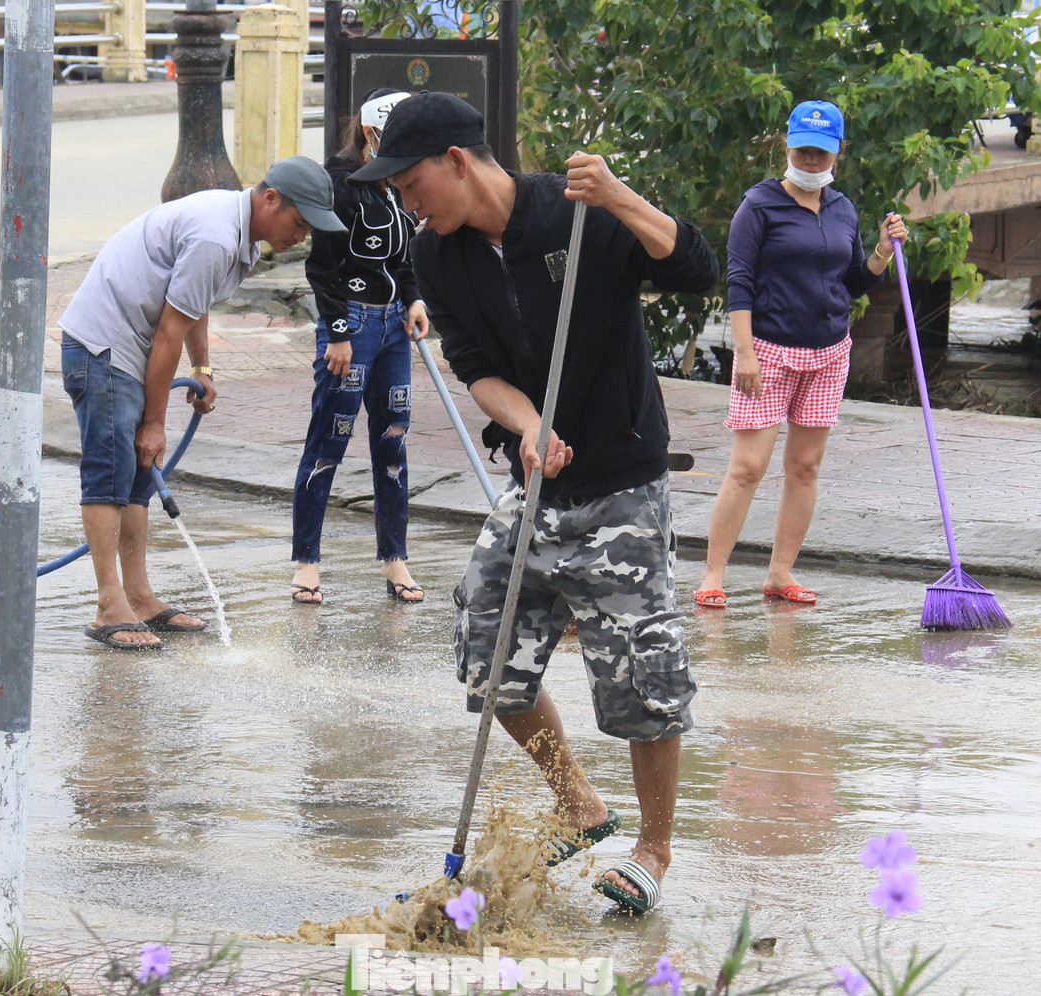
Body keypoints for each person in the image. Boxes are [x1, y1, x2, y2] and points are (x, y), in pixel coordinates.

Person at [349, 92, 718, 914]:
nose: (405, 202)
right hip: (537, 480)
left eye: (409, 183)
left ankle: (654, 848)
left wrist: (619, 194)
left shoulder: (573, 211)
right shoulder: (437, 256)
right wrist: (527, 422)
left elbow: (695, 267)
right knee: (485, 645)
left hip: (622, 477)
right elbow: (473, 364)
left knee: (641, 669)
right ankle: (578, 802)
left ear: (456, 160)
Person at [59, 157, 346, 650]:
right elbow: (170, 329)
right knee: (111, 472)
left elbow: (195, 303)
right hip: (105, 348)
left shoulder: (237, 236)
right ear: (270, 199)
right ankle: (111, 602)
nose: (300, 237)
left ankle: (139, 596)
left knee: (137, 478)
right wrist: (154, 421)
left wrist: (204, 368)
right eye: (299, 223)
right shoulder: (216, 235)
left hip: (131, 346)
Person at [692, 101, 908, 610]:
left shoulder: (843, 209)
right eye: (803, 151)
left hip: (830, 351)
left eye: (821, 154)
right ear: (786, 147)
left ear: (838, 154)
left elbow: (853, 281)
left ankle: (780, 572)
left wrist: (880, 251)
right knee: (748, 466)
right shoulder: (758, 206)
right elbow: (739, 282)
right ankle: (713, 573)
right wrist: (744, 352)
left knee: (806, 466)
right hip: (766, 351)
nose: (811, 161)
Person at [289, 89, 429, 605]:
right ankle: (307, 561)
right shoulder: (340, 184)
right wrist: (341, 332)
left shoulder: (397, 185)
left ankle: (395, 559)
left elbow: (404, 257)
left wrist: (413, 300)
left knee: (392, 438)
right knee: (329, 438)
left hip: (395, 326)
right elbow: (321, 269)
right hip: (351, 326)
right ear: (371, 134)